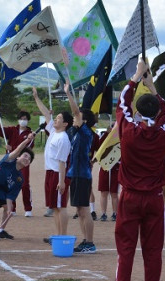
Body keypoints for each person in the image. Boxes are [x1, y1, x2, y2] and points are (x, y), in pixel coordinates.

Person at [115, 60, 165, 281]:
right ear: (156, 111)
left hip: (130, 196)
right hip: (154, 197)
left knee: (126, 251)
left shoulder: (129, 130)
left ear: (137, 111)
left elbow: (122, 103)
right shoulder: (164, 131)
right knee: (153, 252)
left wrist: (136, 76)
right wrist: (154, 88)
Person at [32, 86, 72, 241]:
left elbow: (63, 162)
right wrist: (36, 97)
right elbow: (45, 114)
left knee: (61, 207)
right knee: (55, 207)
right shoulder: (55, 132)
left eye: (59, 119)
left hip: (58, 174)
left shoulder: (63, 139)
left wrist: (61, 182)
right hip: (50, 172)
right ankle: (58, 235)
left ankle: (62, 236)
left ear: (66, 124)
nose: (55, 120)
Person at [64, 82, 97, 254]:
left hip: (82, 175)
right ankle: (85, 241)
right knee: (79, 209)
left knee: (84, 209)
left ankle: (90, 242)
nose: (75, 118)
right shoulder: (76, 133)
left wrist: (68, 93)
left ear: (84, 120)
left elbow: (75, 112)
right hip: (75, 174)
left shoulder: (86, 132)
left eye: (79, 117)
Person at [0, 108, 34, 217]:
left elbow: (28, 147)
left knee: (24, 184)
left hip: (23, 163)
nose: (23, 121)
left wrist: (12, 148)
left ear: (28, 120)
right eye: (21, 119)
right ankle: (12, 208)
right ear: (18, 120)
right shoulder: (12, 130)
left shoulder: (30, 134)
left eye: (25, 119)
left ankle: (28, 208)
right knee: (11, 184)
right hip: (11, 161)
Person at [98, 126, 119, 222]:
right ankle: (103, 213)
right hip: (105, 167)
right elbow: (99, 146)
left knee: (114, 192)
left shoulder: (120, 137)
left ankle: (115, 213)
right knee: (104, 192)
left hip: (115, 168)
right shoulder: (105, 136)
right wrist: (107, 134)